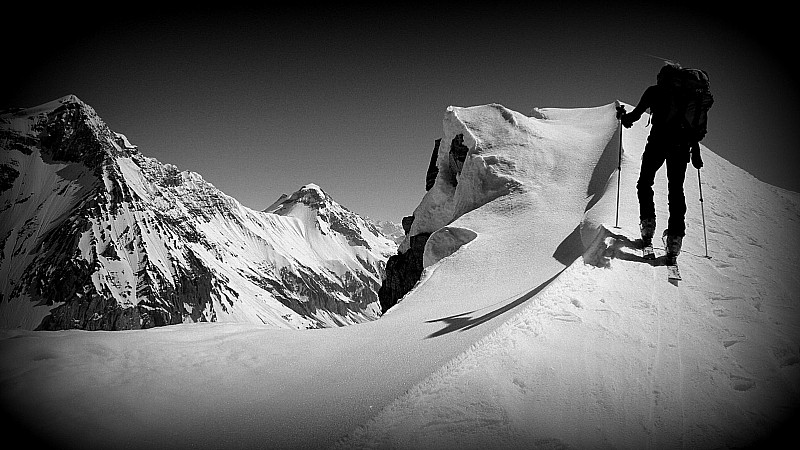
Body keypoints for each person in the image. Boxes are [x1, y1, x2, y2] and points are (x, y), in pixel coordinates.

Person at [617, 63, 704, 265]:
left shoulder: (654, 91)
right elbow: (693, 127)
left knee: (645, 183)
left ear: (662, 77)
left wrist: (623, 117)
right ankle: (674, 240)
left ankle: (648, 226)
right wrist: (695, 150)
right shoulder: (688, 95)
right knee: (676, 190)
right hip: (682, 148)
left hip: (657, 143)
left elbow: (633, 117)